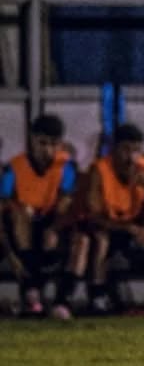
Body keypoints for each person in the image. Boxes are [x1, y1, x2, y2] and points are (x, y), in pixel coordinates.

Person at [84, 123, 144, 313]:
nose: (131, 157)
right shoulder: (99, 170)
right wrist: (128, 228)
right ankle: (98, 298)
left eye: (136, 150)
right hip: (109, 228)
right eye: (126, 149)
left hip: (137, 229)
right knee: (101, 240)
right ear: (114, 149)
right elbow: (92, 216)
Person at [1, 114, 86, 318]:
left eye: (53, 144)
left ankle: (63, 300)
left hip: (53, 226)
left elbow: (68, 205)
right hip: (20, 233)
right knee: (19, 214)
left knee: (82, 240)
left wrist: (55, 229)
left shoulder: (66, 167)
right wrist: (10, 255)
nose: (47, 150)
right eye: (42, 143)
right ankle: (32, 295)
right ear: (32, 140)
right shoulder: (14, 168)